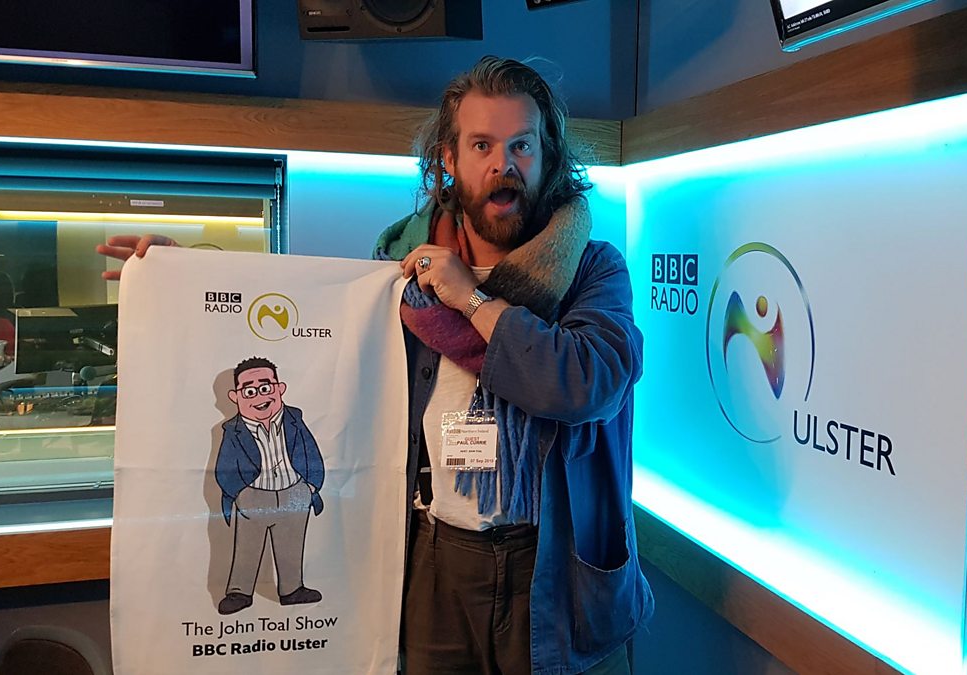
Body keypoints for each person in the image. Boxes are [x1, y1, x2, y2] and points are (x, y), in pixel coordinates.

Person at [98, 55, 652, 675]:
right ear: (448, 159)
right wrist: (186, 275)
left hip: (553, 562)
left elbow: (584, 383)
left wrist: (470, 298)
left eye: (522, 145)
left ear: (547, 157)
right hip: (436, 559)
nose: (504, 164)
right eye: (482, 145)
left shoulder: (593, 268)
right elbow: (306, 334)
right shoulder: (399, 277)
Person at [214, 356, 325, 616]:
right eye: (249, 391)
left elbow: (310, 452)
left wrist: (310, 487)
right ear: (235, 397)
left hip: (294, 492)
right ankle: (240, 592)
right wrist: (239, 493)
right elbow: (224, 466)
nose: (259, 397)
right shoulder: (233, 429)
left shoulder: (294, 419)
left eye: (265, 387)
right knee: (247, 546)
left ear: (280, 388)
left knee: (292, 544)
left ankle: (292, 589)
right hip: (253, 495)